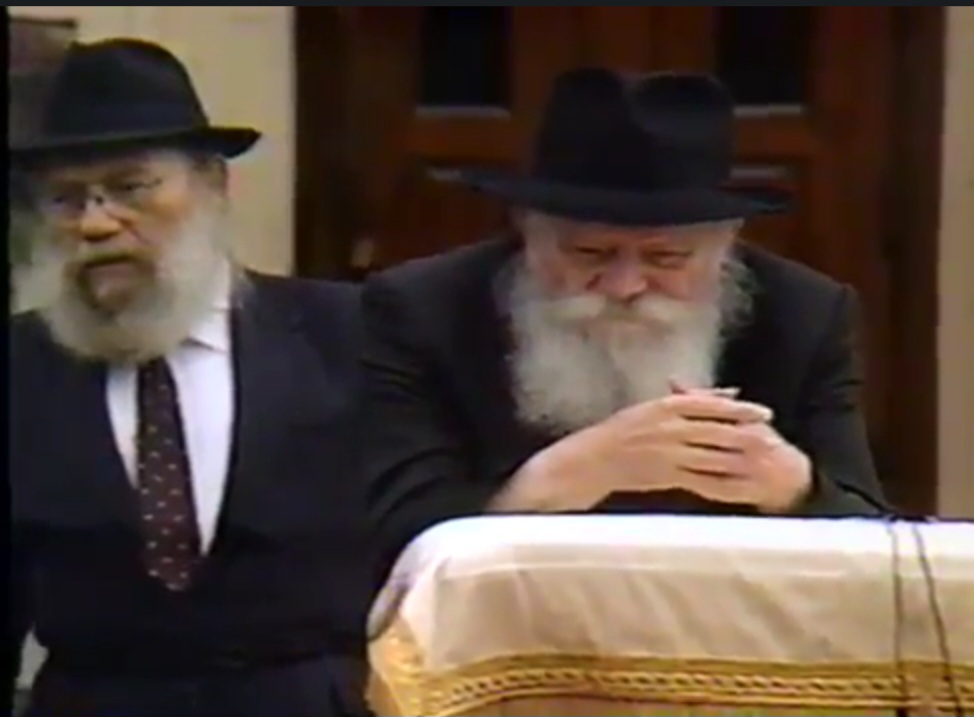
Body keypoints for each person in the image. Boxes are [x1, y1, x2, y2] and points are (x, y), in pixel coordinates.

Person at [360, 68, 890, 582]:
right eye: (590, 253)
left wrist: (796, 488)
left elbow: (879, 546)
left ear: (725, 245)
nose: (625, 286)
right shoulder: (424, 310)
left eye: (666, 258)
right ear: (528, 233)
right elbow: (388, 539)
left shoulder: (804, 315)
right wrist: (562, 477)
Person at [9, 39, 372, 717]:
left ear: (211, 182)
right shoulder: (20, 366)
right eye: (65, 198)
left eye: (130, 187)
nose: (95, 223)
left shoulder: (349, 334)